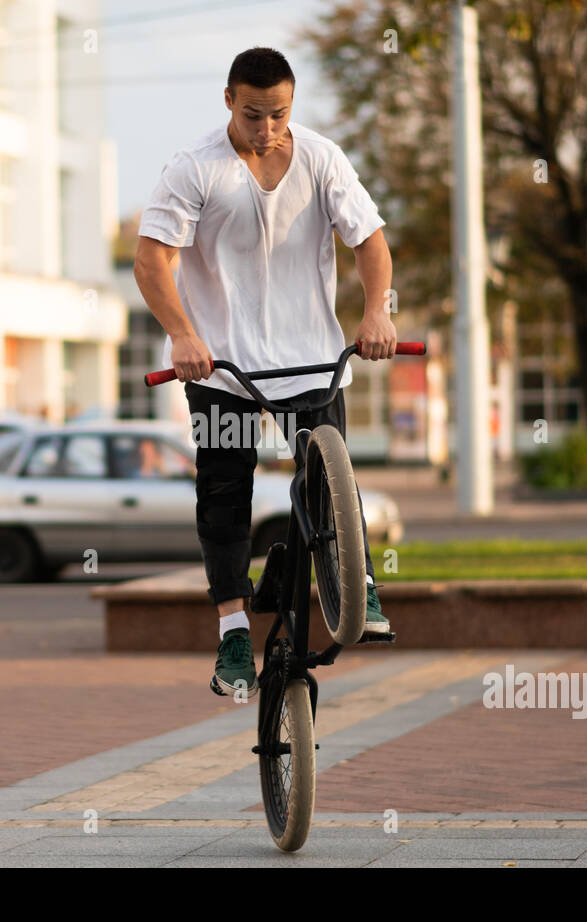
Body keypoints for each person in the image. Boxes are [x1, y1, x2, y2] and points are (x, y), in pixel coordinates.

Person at [134, 47, 395, 699]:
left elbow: (369, 241)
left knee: (330, 475)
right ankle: (232, 632)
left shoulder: (321, 159)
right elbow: (151, 260)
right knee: (225, 494)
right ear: (229, 101)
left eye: (280, 114)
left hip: (310, 358)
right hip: (221, 366)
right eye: (254, 115)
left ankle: (355, 582)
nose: (268, 129)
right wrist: (182, 334)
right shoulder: (194, 169)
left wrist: (376, 316)